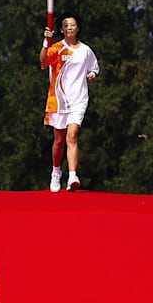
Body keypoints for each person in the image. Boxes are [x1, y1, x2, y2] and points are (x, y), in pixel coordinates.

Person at [40, 15, 99, 192]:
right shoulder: (57, 48)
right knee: (59, 140)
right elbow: (43, 61)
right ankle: (56, 171)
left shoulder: (86, 51)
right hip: (58, 100)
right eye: (66, 25)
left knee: (72, 136)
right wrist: (46, 41)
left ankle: (73, 176)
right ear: (62, 30)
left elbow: (94, 67)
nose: (70, 27)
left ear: (78, 28)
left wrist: (92, 75)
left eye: (73, 25)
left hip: (78, 99)